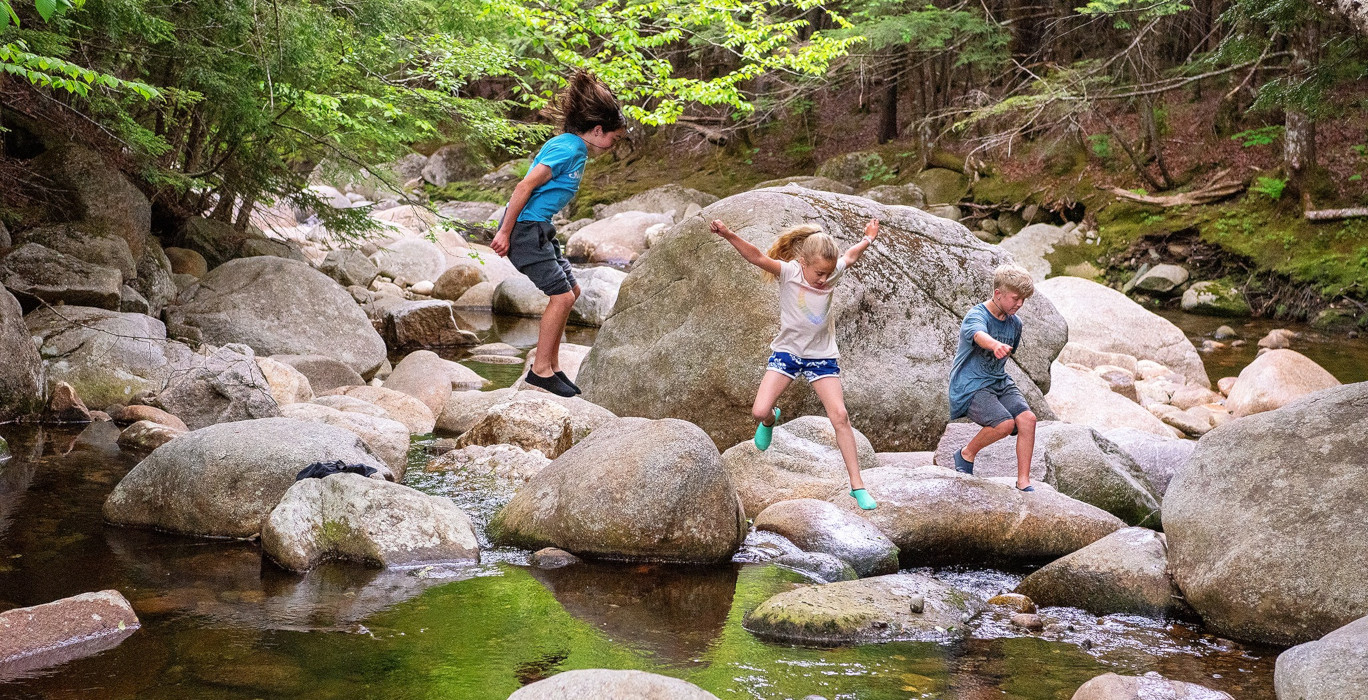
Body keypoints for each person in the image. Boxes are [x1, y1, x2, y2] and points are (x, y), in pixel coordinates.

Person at [709, 218, 881, 510]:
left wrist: (868, 239)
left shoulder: (832, 271)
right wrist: (727, 234)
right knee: (759, 410)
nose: (824, 280)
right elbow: (757, 256)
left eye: (828, 274)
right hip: (788, 353)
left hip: (821, 356)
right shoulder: (789, 272)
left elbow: (850, 256)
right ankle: (771, 419)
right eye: (818, 273)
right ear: (802, 262)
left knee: (840, 416)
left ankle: (857, 485)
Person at [492, 71, 625, 397]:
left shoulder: (575, 149)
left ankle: (550, 367)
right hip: (526, 230)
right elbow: (525, 185)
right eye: (614, 138)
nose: (613, 145)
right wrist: (505, 233)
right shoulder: (568, 148)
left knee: (573, 290)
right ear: (597, 130)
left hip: (540, 229)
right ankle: (540, 371)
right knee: (562, 296)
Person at [948, 264, 1038, 491]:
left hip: (998, 381)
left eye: (1023, 300)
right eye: (1015, 298)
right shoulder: (976, 315)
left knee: (1028, 419)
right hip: (970, 385)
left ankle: (1023, 481)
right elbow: (978, 334)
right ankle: (965, 454)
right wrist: (995, 344)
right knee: (1005, 423)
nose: (1019, 304)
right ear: (998, 293)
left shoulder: (1015, 323)